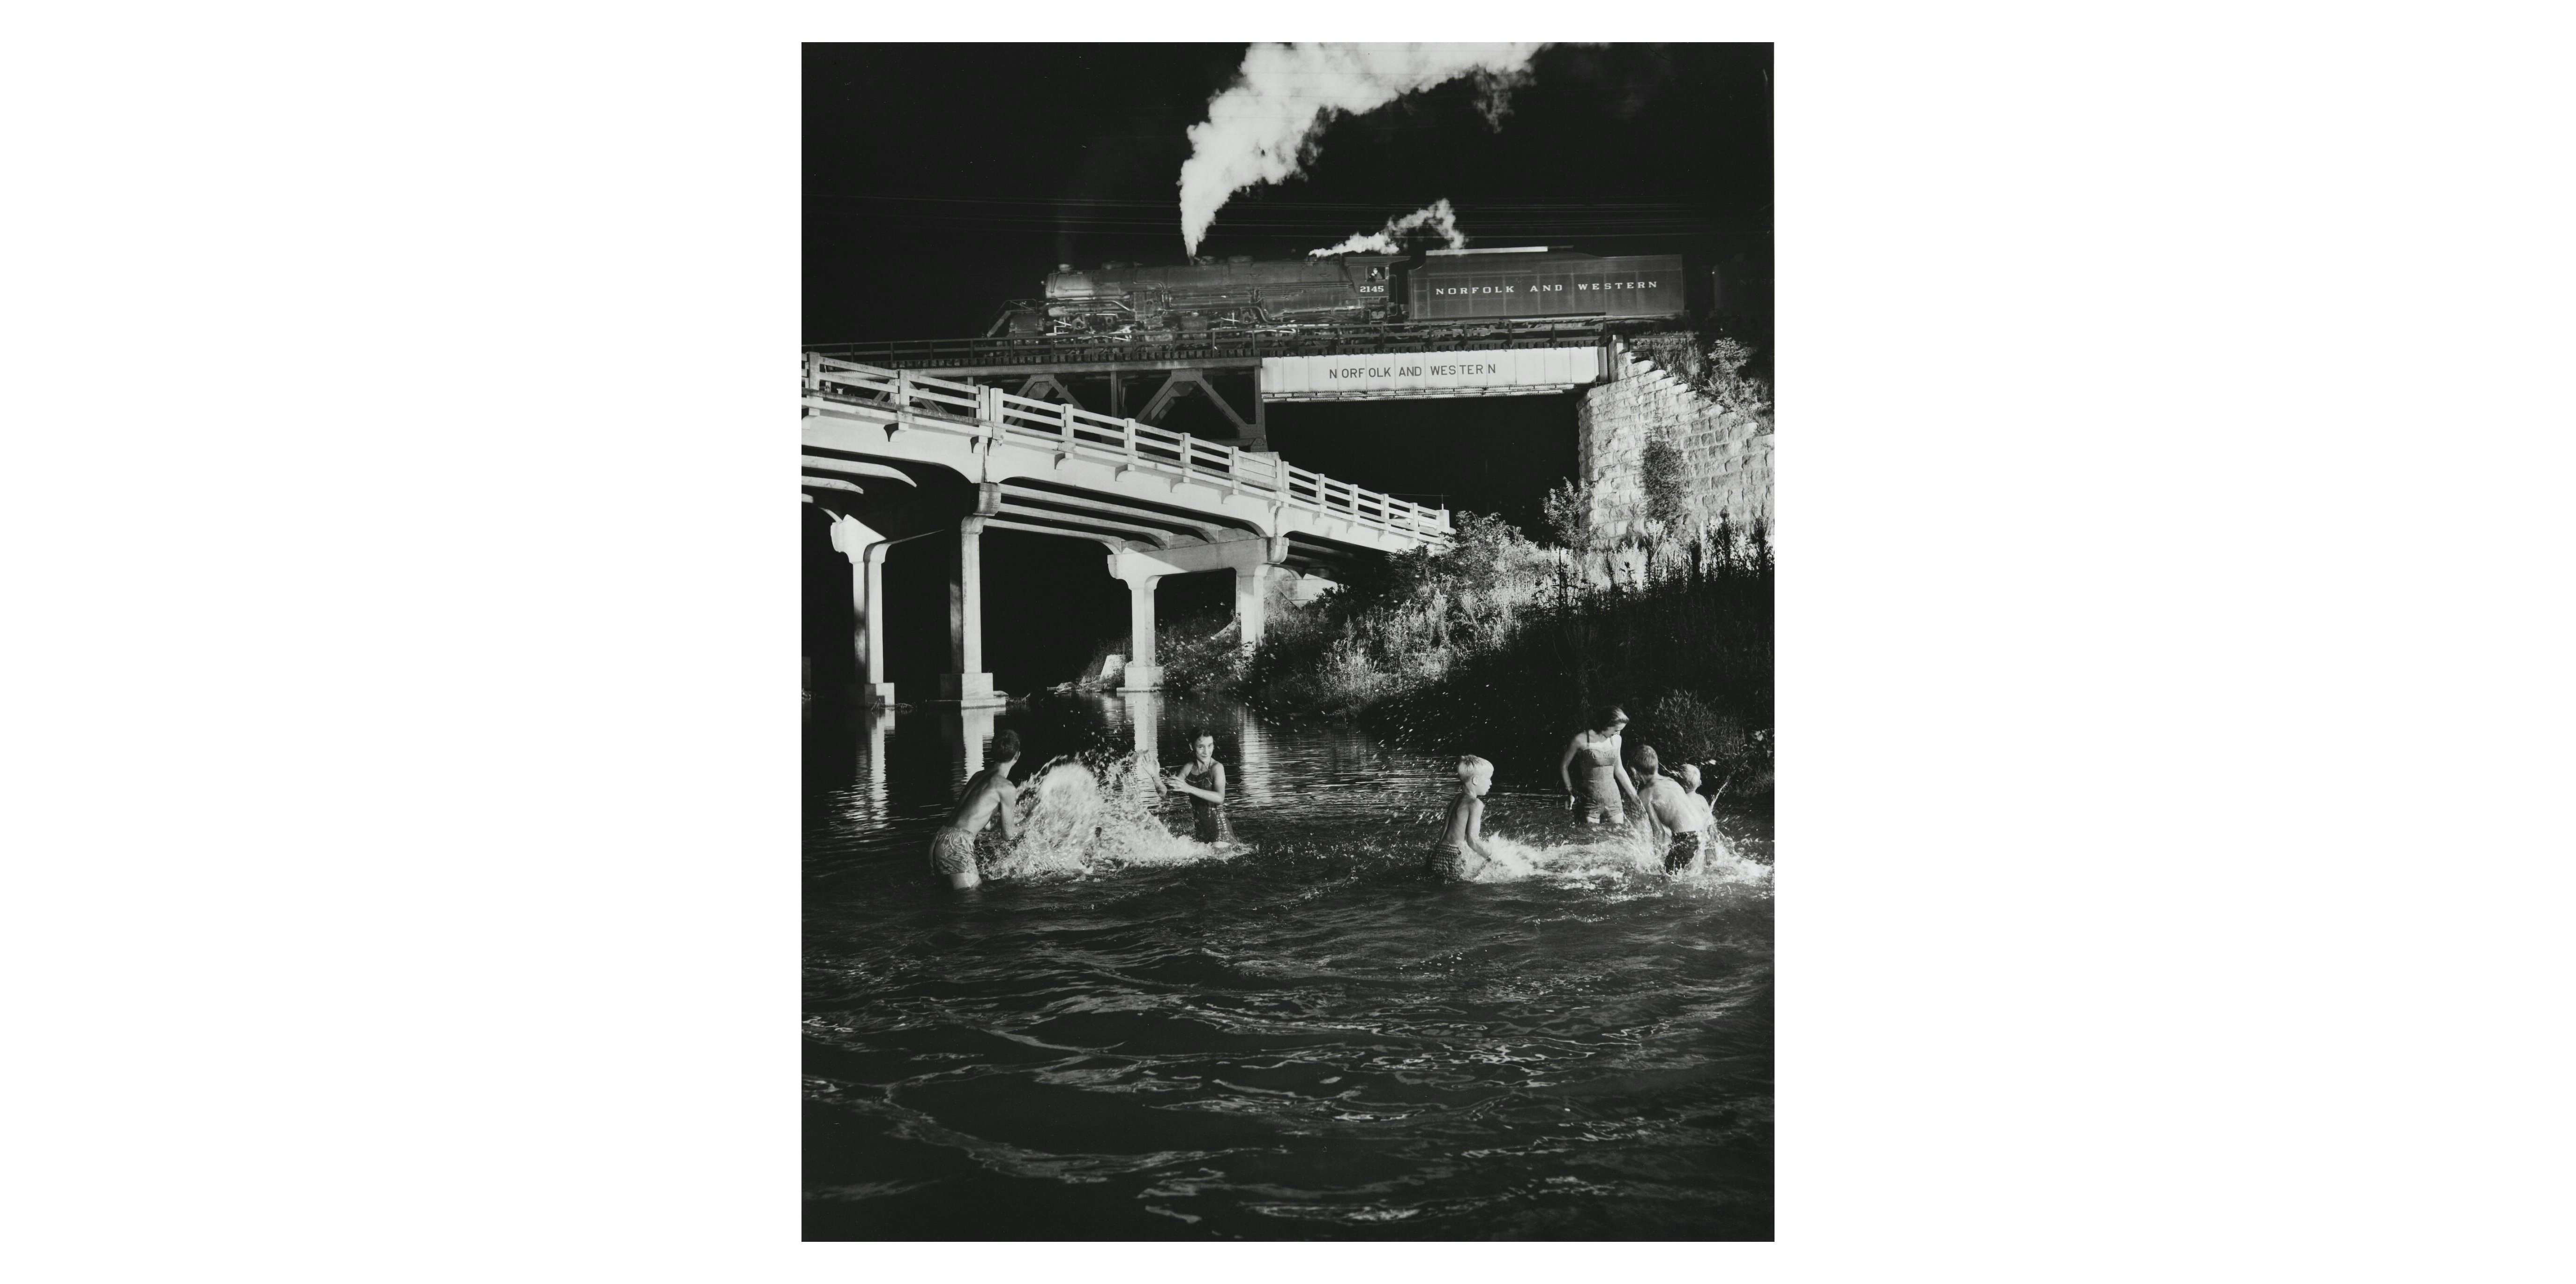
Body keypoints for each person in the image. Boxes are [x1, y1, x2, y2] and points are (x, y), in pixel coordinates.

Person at [929, 730, 1022, 889]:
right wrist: (1032, 819)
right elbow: (1008, 835)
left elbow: (983, 823)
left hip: (939, 839)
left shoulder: (978, 776)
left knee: (949, 898)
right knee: (972, 898)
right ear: (1017, 756)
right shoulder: (1006, 788)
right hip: (957, 845)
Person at [1558, 703, 1640, 826]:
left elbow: (1619, 769)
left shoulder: (1617, 739)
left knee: (1618, 836)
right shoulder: (1581, 739)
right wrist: (1570, 792)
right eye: (1616, 730)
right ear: (1606, 725)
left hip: (1614, 799)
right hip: (1590, 800)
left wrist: (1635, 797)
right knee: (1590, 837)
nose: (1619, 733)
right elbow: (1564, 766)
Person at [1638, 755, 1718, 876]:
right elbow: (1710, 827)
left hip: (1684, 840)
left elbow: (1661, 830)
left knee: (1670, 873)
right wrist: (1712, 855)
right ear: (1699, 783)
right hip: (1700, 838)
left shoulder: (1678, 801)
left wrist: (1657, 856)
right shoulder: (1702, 800)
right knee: (1694, 870)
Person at [1430, 755, 1501, 881]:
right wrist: (1493, 858)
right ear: (1476, 780)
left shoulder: (1456, 799)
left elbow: (1445, 833)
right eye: (1489, 778)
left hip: (1437, 853)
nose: (1491, 783)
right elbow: (1472, 841)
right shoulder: (1476, 803)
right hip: (1452, 856)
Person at [1163, 731, 1234, 844]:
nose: (1207, 752)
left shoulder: (1217, 767)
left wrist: (1189, 788)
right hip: (1201, 830)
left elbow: (1220, 798)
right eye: (1201, 747)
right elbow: (1167, 795)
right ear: (1192, 747)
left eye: (1210, 746)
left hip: (1220, 829)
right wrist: (1154, 776)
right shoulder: (1188, 767)